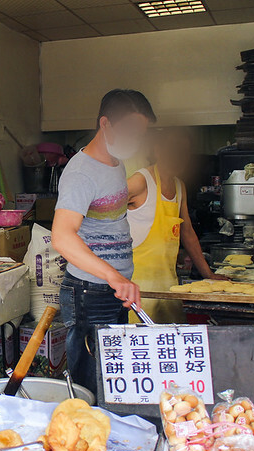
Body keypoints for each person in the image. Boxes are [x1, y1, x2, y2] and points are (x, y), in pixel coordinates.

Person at [51, 89, 155, 397]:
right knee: (88, 388)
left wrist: (119, 279)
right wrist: (113, 275)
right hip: (89, 294)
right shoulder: (81, 173)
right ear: (106, 124)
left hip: (112, 290)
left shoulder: (116, 164)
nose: (135, 139)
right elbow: (62, 235)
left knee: (112, 384)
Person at [127, 128, 227, 324]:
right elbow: (104, 211)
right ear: (158, 150)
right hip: (137, 290)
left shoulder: (179, 186)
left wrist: (208, 274)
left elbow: (187, 233)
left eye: (184, 152)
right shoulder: (141, 181)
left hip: (168, 288)